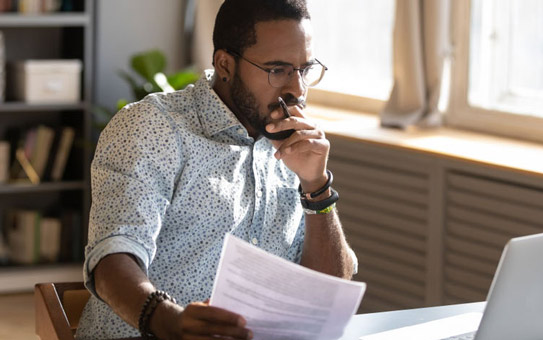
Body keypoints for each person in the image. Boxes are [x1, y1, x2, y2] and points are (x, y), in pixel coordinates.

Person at [76, 0, 357, 339]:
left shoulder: (294, 145)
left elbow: (325, 295)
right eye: (277, 70)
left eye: (304, 69)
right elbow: (113, 256)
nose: (296, 89)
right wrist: (168, 321)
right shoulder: (153, 127)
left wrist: (316, 186)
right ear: (225, 64)